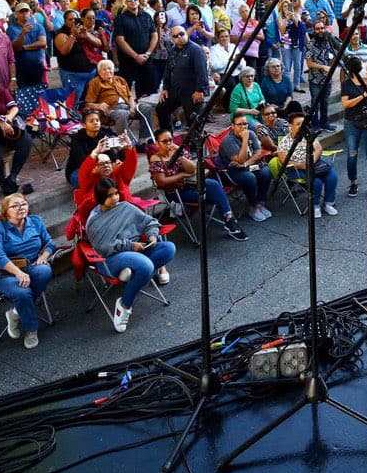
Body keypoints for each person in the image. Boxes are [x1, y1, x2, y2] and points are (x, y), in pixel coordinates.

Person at [87, 177, 175, 333]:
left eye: (116, 194)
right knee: (146, 265)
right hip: (111, 259)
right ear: (101, 198)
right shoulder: (94, 220)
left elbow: (150, 222)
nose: (115, 198)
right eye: (109, 196)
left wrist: (152, 236)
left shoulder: (125, 207)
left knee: (168, 248)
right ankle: (125, 305)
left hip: (137, 251)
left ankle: (136, 273)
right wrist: (130, 246)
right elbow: (103, 248)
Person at [148, 128, 247, 241]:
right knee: (215, 191)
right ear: (157, 143)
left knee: (213, 185)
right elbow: (162, 182)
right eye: (165, 141)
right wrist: (182, 175)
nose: (169, 144)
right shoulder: (156, 159)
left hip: (192, 185)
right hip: (177, 193)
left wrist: (180, 156)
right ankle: (230, 221)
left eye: (170, 140)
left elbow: (192, 170)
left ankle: (229, 219)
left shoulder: (178, 151)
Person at [0, 193, 57, 349]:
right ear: (6, 212)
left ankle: (16, 313)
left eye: (23, 204)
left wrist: (44, 256)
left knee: (44, 271)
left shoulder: (36, 222)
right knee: (22, 292)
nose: (21, 208)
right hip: (4, 273)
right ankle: (31, 329)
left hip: (32, 265)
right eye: (15, 206)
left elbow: (50, 243)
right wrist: (18, 273)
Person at [274, 109, 338, 218]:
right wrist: (302, 165)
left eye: (303, 124)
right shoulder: (285, 141)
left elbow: (318, 149)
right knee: (316, 182)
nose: (301, 126)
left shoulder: (309, 136)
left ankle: (328, 203)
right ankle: (315, 206)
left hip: (314, 164)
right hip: (295, 169)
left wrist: (311, 162)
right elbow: (284, 161)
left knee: (332, 176)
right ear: (291, 126)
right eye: (298, 124)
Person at [217, 111, 273, 221]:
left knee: (266, 171)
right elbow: (240, 159)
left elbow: (258, 153)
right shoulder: (228, 141)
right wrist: (245, 140)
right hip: (230, 171)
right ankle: (252, 206)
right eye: (240, 124)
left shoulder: (251, 133)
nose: (243, 127)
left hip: (247, 166)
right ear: (232, 126)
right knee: (249, 177)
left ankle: (260, 202)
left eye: (245, 124)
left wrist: (246, 164)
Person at [340, 55, 367, 199]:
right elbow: (345, 104)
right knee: (352, 153)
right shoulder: (347, 84)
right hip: (352, 122)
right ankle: (353, 181)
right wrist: (361, 96)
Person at [157, 24, 209, 132]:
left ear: (186, 33)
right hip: (177, 89)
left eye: (182, 34)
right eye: (176, 36)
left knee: (194, 122)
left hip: (192, 91)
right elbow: (167, 70)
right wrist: (165, 88)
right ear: (173, 39)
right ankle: (167, 138)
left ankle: (194, 147)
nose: (180, 37)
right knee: (161, 107)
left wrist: (200, 90)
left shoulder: (195, 50)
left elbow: (202, 72)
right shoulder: (173, 51)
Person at [84, 59, 136, 134]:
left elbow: (130, 96)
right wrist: (98, 106)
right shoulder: (95, 83)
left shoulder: (120, 80)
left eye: (109, 68)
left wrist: (132, 107)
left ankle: (144, 139)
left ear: (113, 70)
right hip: (111, 110)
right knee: (122, 114)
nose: (108, 71)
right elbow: (87, 103)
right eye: (104, 69)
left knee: (146, 108)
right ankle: (125, 142)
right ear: (99, 72)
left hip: (127, 106)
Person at [305, 20, 337, 132]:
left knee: (325, 102)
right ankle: (315, 125)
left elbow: (332, 57)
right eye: (318, 29)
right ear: (314, 30)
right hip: (315, 80)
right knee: (315, 103)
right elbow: (309, 63)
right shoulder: (310, 44)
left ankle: (324, 122)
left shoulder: (328, 42)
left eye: (322, 28)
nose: (320, 31)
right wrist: (322, 67)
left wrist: (330, 68)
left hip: (327, 79)